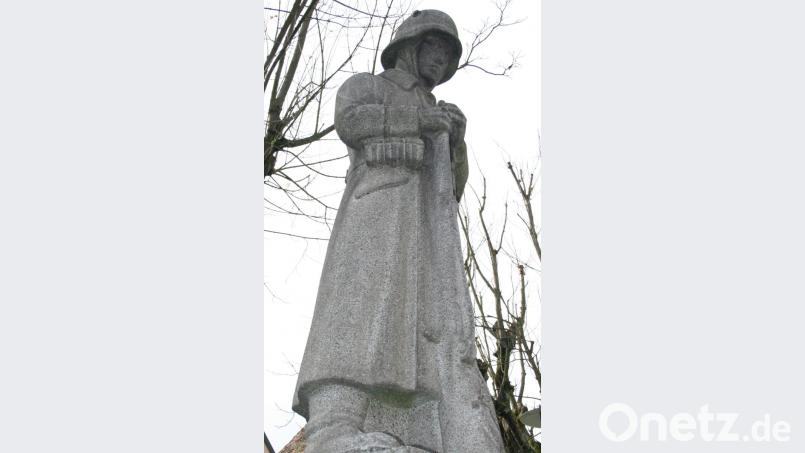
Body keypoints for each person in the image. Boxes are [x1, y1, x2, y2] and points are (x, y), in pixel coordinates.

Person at [292, 10, 504, 453]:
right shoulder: (369, 86)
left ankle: (421, 427)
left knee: (421, 333)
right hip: (378, 214)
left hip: (426, 239)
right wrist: (416, 122)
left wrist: (456, 143)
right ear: (412, 44)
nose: (441, 62)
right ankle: (336, 426)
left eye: (448, 57)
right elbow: (351, 122)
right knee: (359, 314)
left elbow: (454, 190)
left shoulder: (438, 110)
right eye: (436, 49)